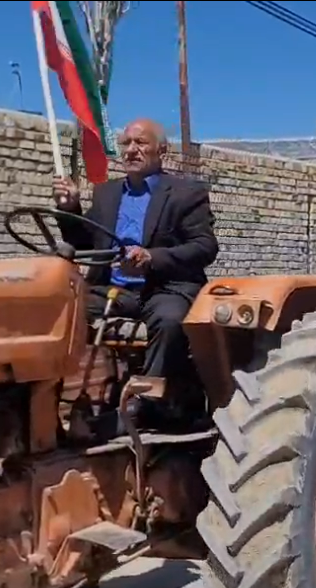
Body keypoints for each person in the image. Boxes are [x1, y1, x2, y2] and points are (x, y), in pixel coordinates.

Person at [52, 118, 219, 427]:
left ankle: (148, 403)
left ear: (162, 151)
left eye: (140, 143)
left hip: (164, 288)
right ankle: (50, 396)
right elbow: (84, 241)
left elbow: (204, 247)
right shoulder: (106, 194)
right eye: (126, 143)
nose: (131, 150)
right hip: (114, 290)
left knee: (169, 320)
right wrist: (70, 209)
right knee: (61, 309)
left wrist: (151, 257)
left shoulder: (186, 194)